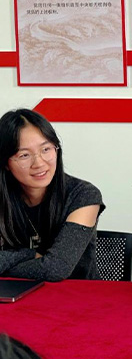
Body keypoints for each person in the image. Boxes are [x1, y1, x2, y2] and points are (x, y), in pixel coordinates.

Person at [0, 109, 105, 281]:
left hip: (78, 293)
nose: (39, 163)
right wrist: (31, 254)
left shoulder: (83, 195)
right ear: (5, 163)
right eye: (24, 155)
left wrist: (6, 265)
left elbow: (55, 268)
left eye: (46, 149)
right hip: (15, 294)